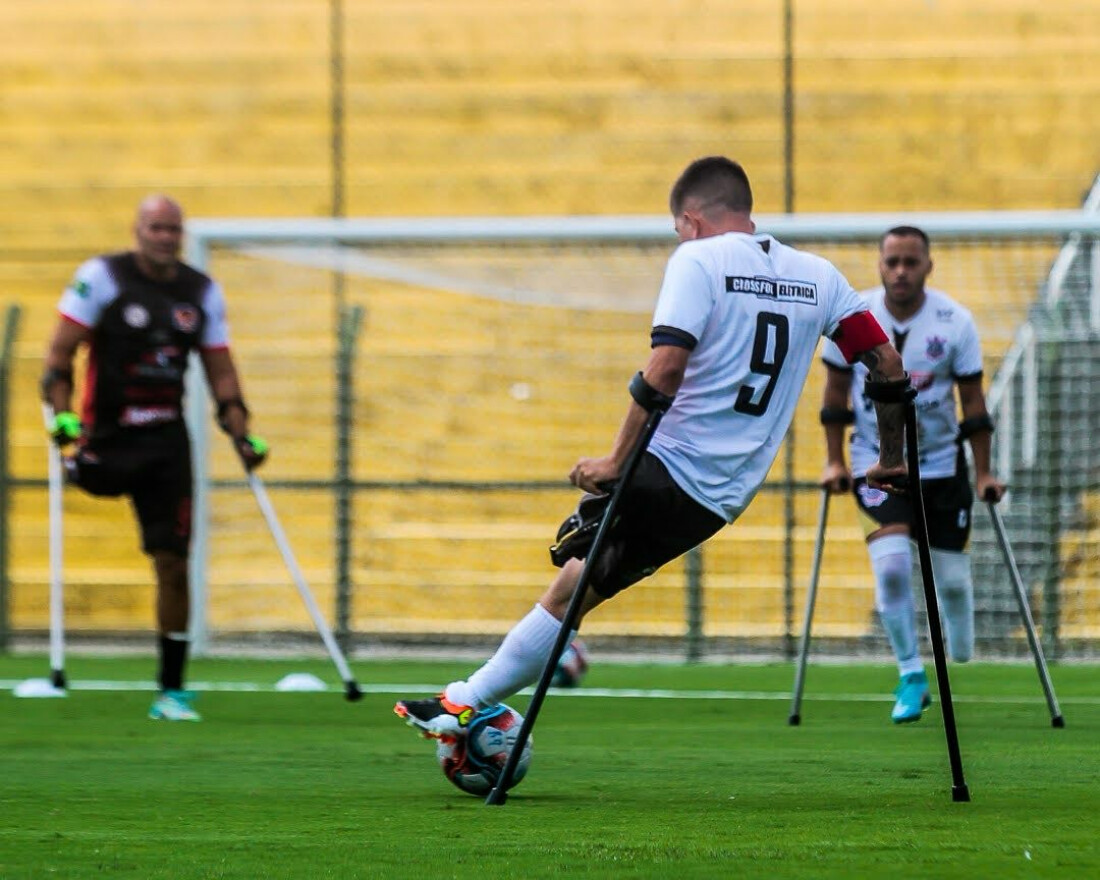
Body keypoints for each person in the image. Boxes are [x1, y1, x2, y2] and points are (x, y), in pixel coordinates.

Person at [394, 156, 912, 738]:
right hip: (724, 492)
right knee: (575, 578)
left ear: (690, 219)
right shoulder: (819, 276)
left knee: (572, 583)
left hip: (668, 465)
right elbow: (887, 363)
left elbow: (665, 365)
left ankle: (468, 703)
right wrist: (892, 456)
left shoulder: (697, 259)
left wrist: (615, 461)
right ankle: (469, 697)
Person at [41, 194, 268, 722]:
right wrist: (62, 416)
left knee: (173, 562)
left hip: (167, 444)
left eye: (173, 229)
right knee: (84, 477)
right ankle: (78, 463)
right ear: (137, 230)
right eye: (155, 228)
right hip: (106, 437)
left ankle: (172, 689)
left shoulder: (200, 290)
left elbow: (221, 370)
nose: (165, 237)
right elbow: (58, 356)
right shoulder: (102, 277)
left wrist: (239, 429)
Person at [819, 225, 1006, 724]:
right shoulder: (854, 316)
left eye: (911, 262)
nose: (901, 271)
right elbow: (834, 398)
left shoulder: (955, 322)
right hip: (875, 466)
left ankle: (959, 653)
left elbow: (973, 405)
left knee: (953, 583)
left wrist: (985, 472)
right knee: (895, 569)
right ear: (880, 265)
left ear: (928, 265)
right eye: (892, 262)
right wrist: (835, 460)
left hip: (942, 467)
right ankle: (910, 674)